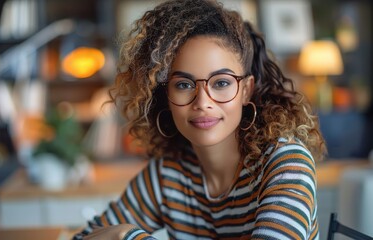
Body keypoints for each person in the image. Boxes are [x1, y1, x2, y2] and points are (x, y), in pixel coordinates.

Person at [73, 0, 326, 239]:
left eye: (222, 83)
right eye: (184, 84)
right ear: (166, 96)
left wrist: (126, 236)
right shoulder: (168, 176)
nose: (203, 102)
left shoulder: (286, 163)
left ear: (246, 90)